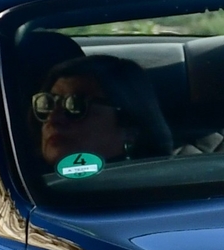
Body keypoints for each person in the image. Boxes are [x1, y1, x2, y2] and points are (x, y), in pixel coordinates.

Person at [32, 56, 174, 169]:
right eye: (47, 103)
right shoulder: (24, 182)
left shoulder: (155, 185)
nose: (53, 118)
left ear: (130, 129)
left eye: (75, 105)